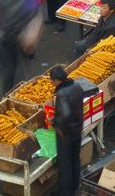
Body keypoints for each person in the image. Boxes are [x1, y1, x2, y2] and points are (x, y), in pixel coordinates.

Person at [0, 0, 47, 93]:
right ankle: (23, 88)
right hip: (25, 23)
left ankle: (7, 92)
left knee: (9, 66)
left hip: (8, 34)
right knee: (23, 63)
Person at [50, 66, 84, 196]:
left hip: (65, 134)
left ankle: (65, 192)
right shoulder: (77, 86)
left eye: (52, 81)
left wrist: (54, 121)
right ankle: (75, 186)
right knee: (75, 159)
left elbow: (65, 114)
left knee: (65, 164)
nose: (52, 84)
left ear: (57, 80)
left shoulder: (62, 93)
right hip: (77, 130)